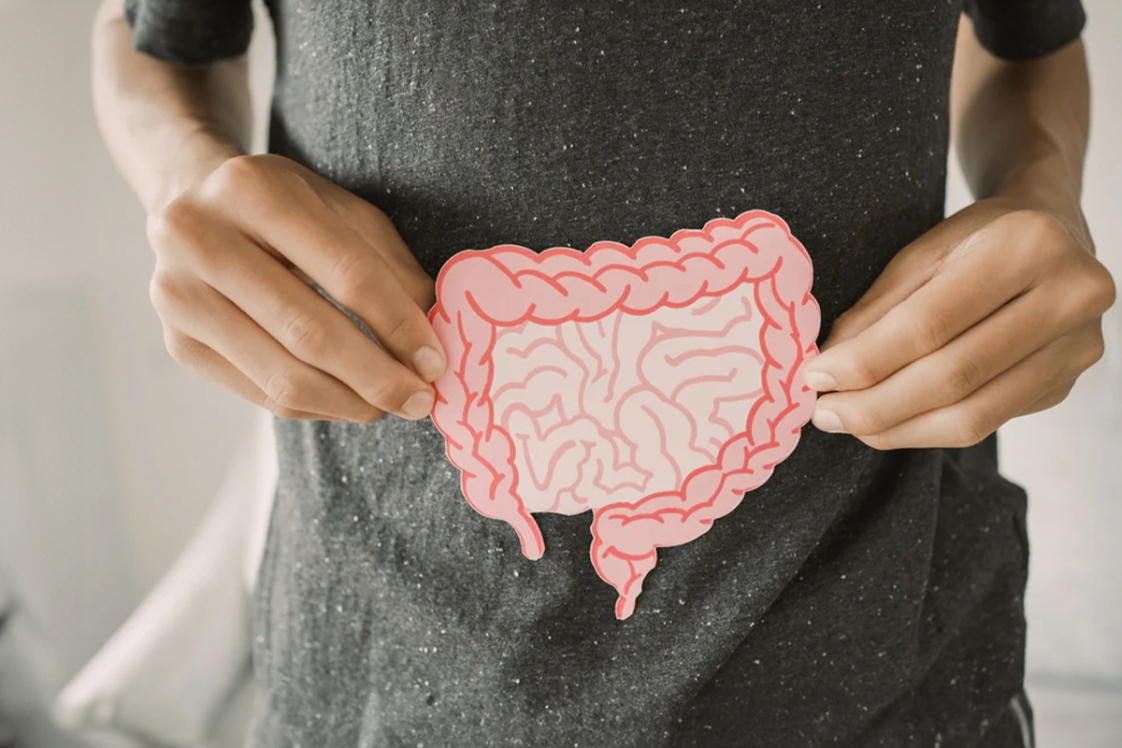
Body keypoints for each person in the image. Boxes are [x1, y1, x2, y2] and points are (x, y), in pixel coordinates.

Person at [91, 0, 1114, 745]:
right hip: (379, 665)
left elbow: (1025, 46)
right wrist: (183, 175)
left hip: (887, 661)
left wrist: (1043, 190)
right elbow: (155, 40)